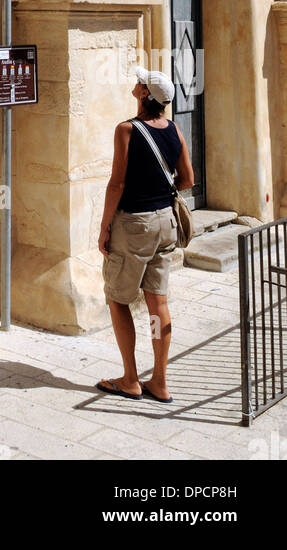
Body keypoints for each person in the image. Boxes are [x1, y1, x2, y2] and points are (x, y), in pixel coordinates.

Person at [96, 65, 194, 403]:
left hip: (133, 225)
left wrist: (105, 226)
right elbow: (188, 179)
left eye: (140, 83)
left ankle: (130, 378)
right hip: (165, 223)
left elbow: (117, 183)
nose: (135, 84)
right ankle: (160, 381)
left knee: (118, 299)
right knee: (157, 303)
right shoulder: (174, 130)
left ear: (144, 95)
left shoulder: (126, 130)